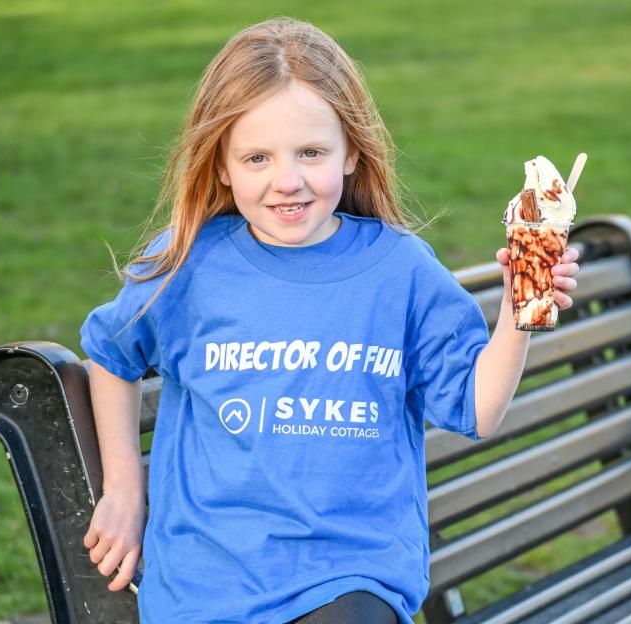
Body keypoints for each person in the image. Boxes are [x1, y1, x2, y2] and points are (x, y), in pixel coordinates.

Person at [79, 17, 580, 624]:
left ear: (351, 154)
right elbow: (112, 354)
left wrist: (518, 313)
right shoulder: (189, 263)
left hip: (349, 581)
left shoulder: (399, 270)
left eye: (311, 153)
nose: (286, 181)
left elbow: (478, 408)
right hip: (209, 586)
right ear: (221, 166)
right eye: (257, 157)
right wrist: (126, 490)